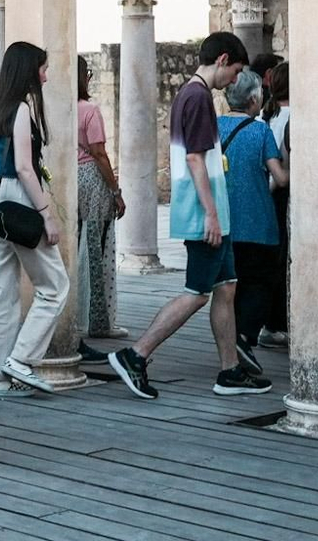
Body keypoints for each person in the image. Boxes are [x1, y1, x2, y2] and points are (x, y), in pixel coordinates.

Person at [107, 31, 270, 401]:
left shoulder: (192, 96)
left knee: (226, 288)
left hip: (214, 214)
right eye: (236, 71)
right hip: (204, 215)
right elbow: (195, 158)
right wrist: (211, 214)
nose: (235, 81)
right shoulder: (196, 97)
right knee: (197, 293)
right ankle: (135, 354)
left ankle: (230, 370)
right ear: (224, 59)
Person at [0, 42, 68, 398]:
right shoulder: (18, 110)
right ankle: (22, 358)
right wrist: (47, 215)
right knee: (55, 286)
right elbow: (24, 168)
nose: (45, 76)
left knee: (1, 291)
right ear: (29, 70)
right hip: (17, 198)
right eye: (42, 69)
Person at [219, 69, 287, 365]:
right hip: (258, 220)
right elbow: (280, 178)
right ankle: (245, 338)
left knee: (231, 284)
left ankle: (233, 340)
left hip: (224, 219)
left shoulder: (214, 127)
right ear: (253, 98)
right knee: (261, 282)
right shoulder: (261, 131)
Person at [73, 54, 123, 356]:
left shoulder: (55, 109)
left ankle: (78, 315)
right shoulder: (89, 110)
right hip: (91, 178)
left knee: (78, 245)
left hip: (68, 178)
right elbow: (99, 153)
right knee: (98, 247)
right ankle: (98, 320)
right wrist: (115, 190)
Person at [259, 61, 291, 349]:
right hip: (283, 191)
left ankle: (271, 320)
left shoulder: (265, 116)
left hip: (264, 192)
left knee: (273, 258)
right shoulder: (294, 117)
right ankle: (280, 319)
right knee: (284, 258)